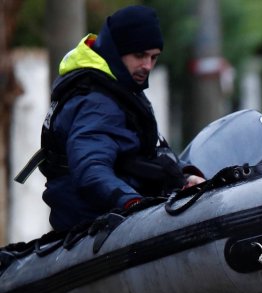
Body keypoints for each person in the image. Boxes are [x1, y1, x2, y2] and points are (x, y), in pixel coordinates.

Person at [34, 5, 203, 232]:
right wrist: (133, 203)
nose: (147, 66)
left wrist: (185, 175)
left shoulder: (119, 89)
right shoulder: (97, 101)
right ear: (115, 51)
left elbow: (144, 152)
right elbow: (91, 168)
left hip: (118, 220)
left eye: (153, 57)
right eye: (139, 55)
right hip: (98, 225)